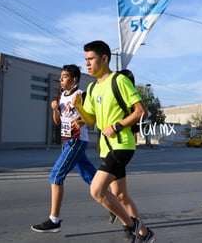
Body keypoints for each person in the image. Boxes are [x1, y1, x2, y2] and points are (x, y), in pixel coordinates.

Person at [73, 40, 155, 243]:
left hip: (122, 144)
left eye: (91, 59)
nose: (87, 64)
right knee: (120, 195)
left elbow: (140, 111)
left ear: (105, 58)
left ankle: (130, 225)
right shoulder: (92, 88)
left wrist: (117, 126)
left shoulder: (119, 81)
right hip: (105, 147)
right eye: (86, 60)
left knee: (97, 190)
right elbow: (92, 120)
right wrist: (80, 113)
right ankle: (144, 233)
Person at [31, 64, 97, 233]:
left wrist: (81, 121)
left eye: (65, 76)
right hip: (67, 141)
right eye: (60, 77)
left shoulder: (80, 94)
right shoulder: (61, 97)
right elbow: (57, 121)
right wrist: (54, 110)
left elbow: (93, 117)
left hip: (77, 140)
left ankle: (54, 220)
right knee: (91, 178)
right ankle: (116, 206)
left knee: (55, 175)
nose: (61, 79)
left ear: (74, 79)